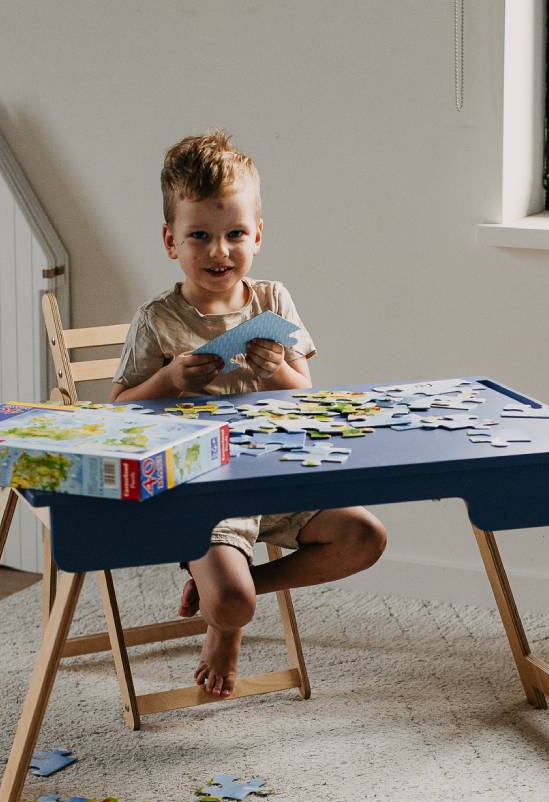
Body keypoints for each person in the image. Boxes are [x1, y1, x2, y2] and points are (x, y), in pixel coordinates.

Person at [110, 129, 386, 697]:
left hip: (279, 473)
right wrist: (166, 380)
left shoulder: (272, 301)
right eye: (200, 236)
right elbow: (116, 413)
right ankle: (226, 612)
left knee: (365, 537)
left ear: (257, 235)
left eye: (235, 234)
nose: (219, 251)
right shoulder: (156, 321)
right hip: (203, 488)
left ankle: (238, 595)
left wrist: (275, 371)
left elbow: (304, 393)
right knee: (231, 605)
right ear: (171, 241)